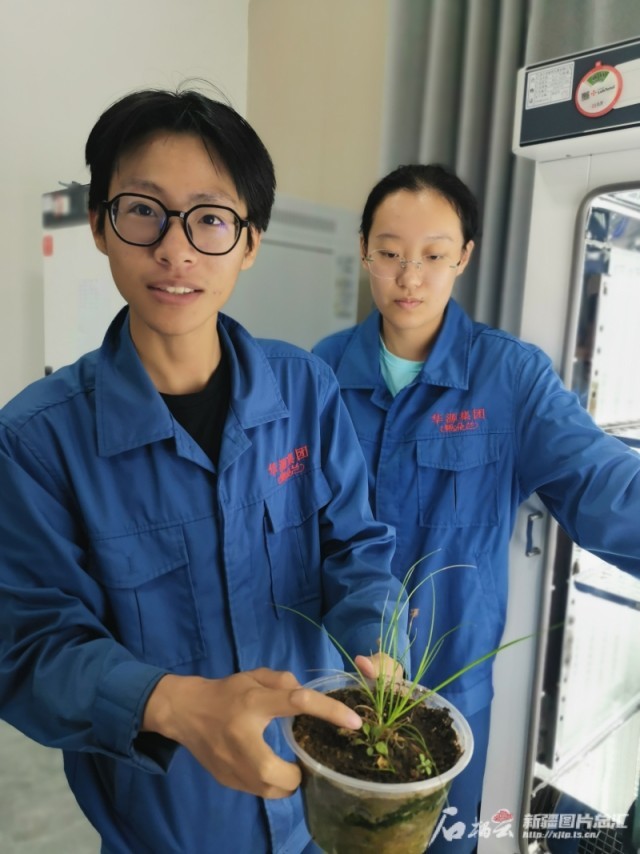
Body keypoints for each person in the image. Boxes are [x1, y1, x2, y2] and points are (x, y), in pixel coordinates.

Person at [0, 89, 407, 854]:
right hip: (165, 823)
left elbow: (355, 546)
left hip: (318, 807)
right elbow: (29, 647)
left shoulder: (304, 389)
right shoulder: (34, 441)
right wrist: (172, 704)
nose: (176, 250)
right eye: (143, 211)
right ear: (99, 224)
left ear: (250, 243)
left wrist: (374, 639)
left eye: (211, 219)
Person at [312, 163, 640, 853]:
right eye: (390, 253)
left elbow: (600, 485)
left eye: (433, 256)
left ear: (463, 256)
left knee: (443, 842)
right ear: (364, 250)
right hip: (342, 678)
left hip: (450, 687)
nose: (409, 277)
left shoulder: (510, 376)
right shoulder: (320, 373)